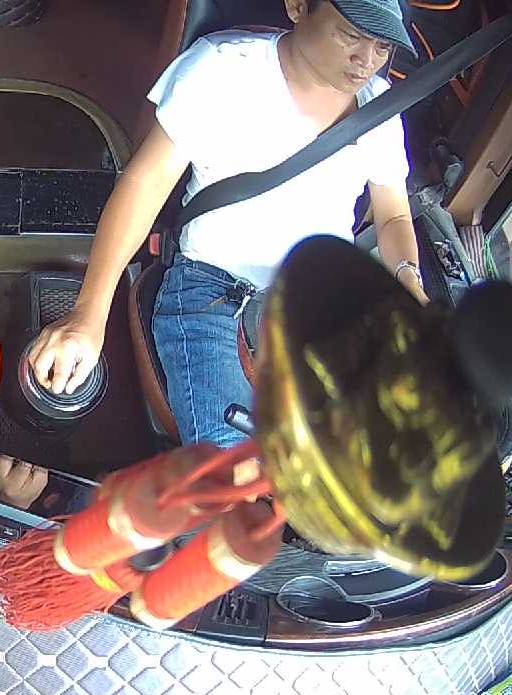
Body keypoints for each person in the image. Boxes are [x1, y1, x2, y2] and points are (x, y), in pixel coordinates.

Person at [27, 0, 429, 448]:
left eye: (381, 47)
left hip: (322, 306)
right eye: (351, 35)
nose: (366, 60)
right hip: (214, 292)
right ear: (299, 6)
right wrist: (89, 314)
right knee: (236, 468)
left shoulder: (379, 107)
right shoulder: (222, 68)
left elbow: (393, 214)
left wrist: (408, 281)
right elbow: (145, 184)